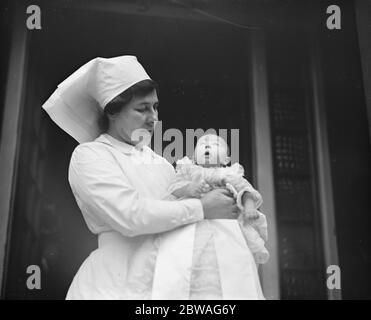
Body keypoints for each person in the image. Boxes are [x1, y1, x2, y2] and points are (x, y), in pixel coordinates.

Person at [42, 55, 238, 299]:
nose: (153, 117)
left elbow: (178, 218)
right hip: (113, 282)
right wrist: (202, 207)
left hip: (164, 280)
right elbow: (130, 215)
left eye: (155, 107)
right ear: (112, 111)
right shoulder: (91, 155)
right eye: (142, 108)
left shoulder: (162, 164)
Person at [155, 133, 268, 300]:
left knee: (231, 265)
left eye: (215, 144)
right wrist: (189, 189)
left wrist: (249, 207)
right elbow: (174, 188)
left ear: (226, 158)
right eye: (202, 144)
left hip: (227, 228)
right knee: (189, 264)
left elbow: (246, 192)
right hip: (192, 227)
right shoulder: (188, 171)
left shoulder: (230, 174)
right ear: (194, 156)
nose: (207, 146)